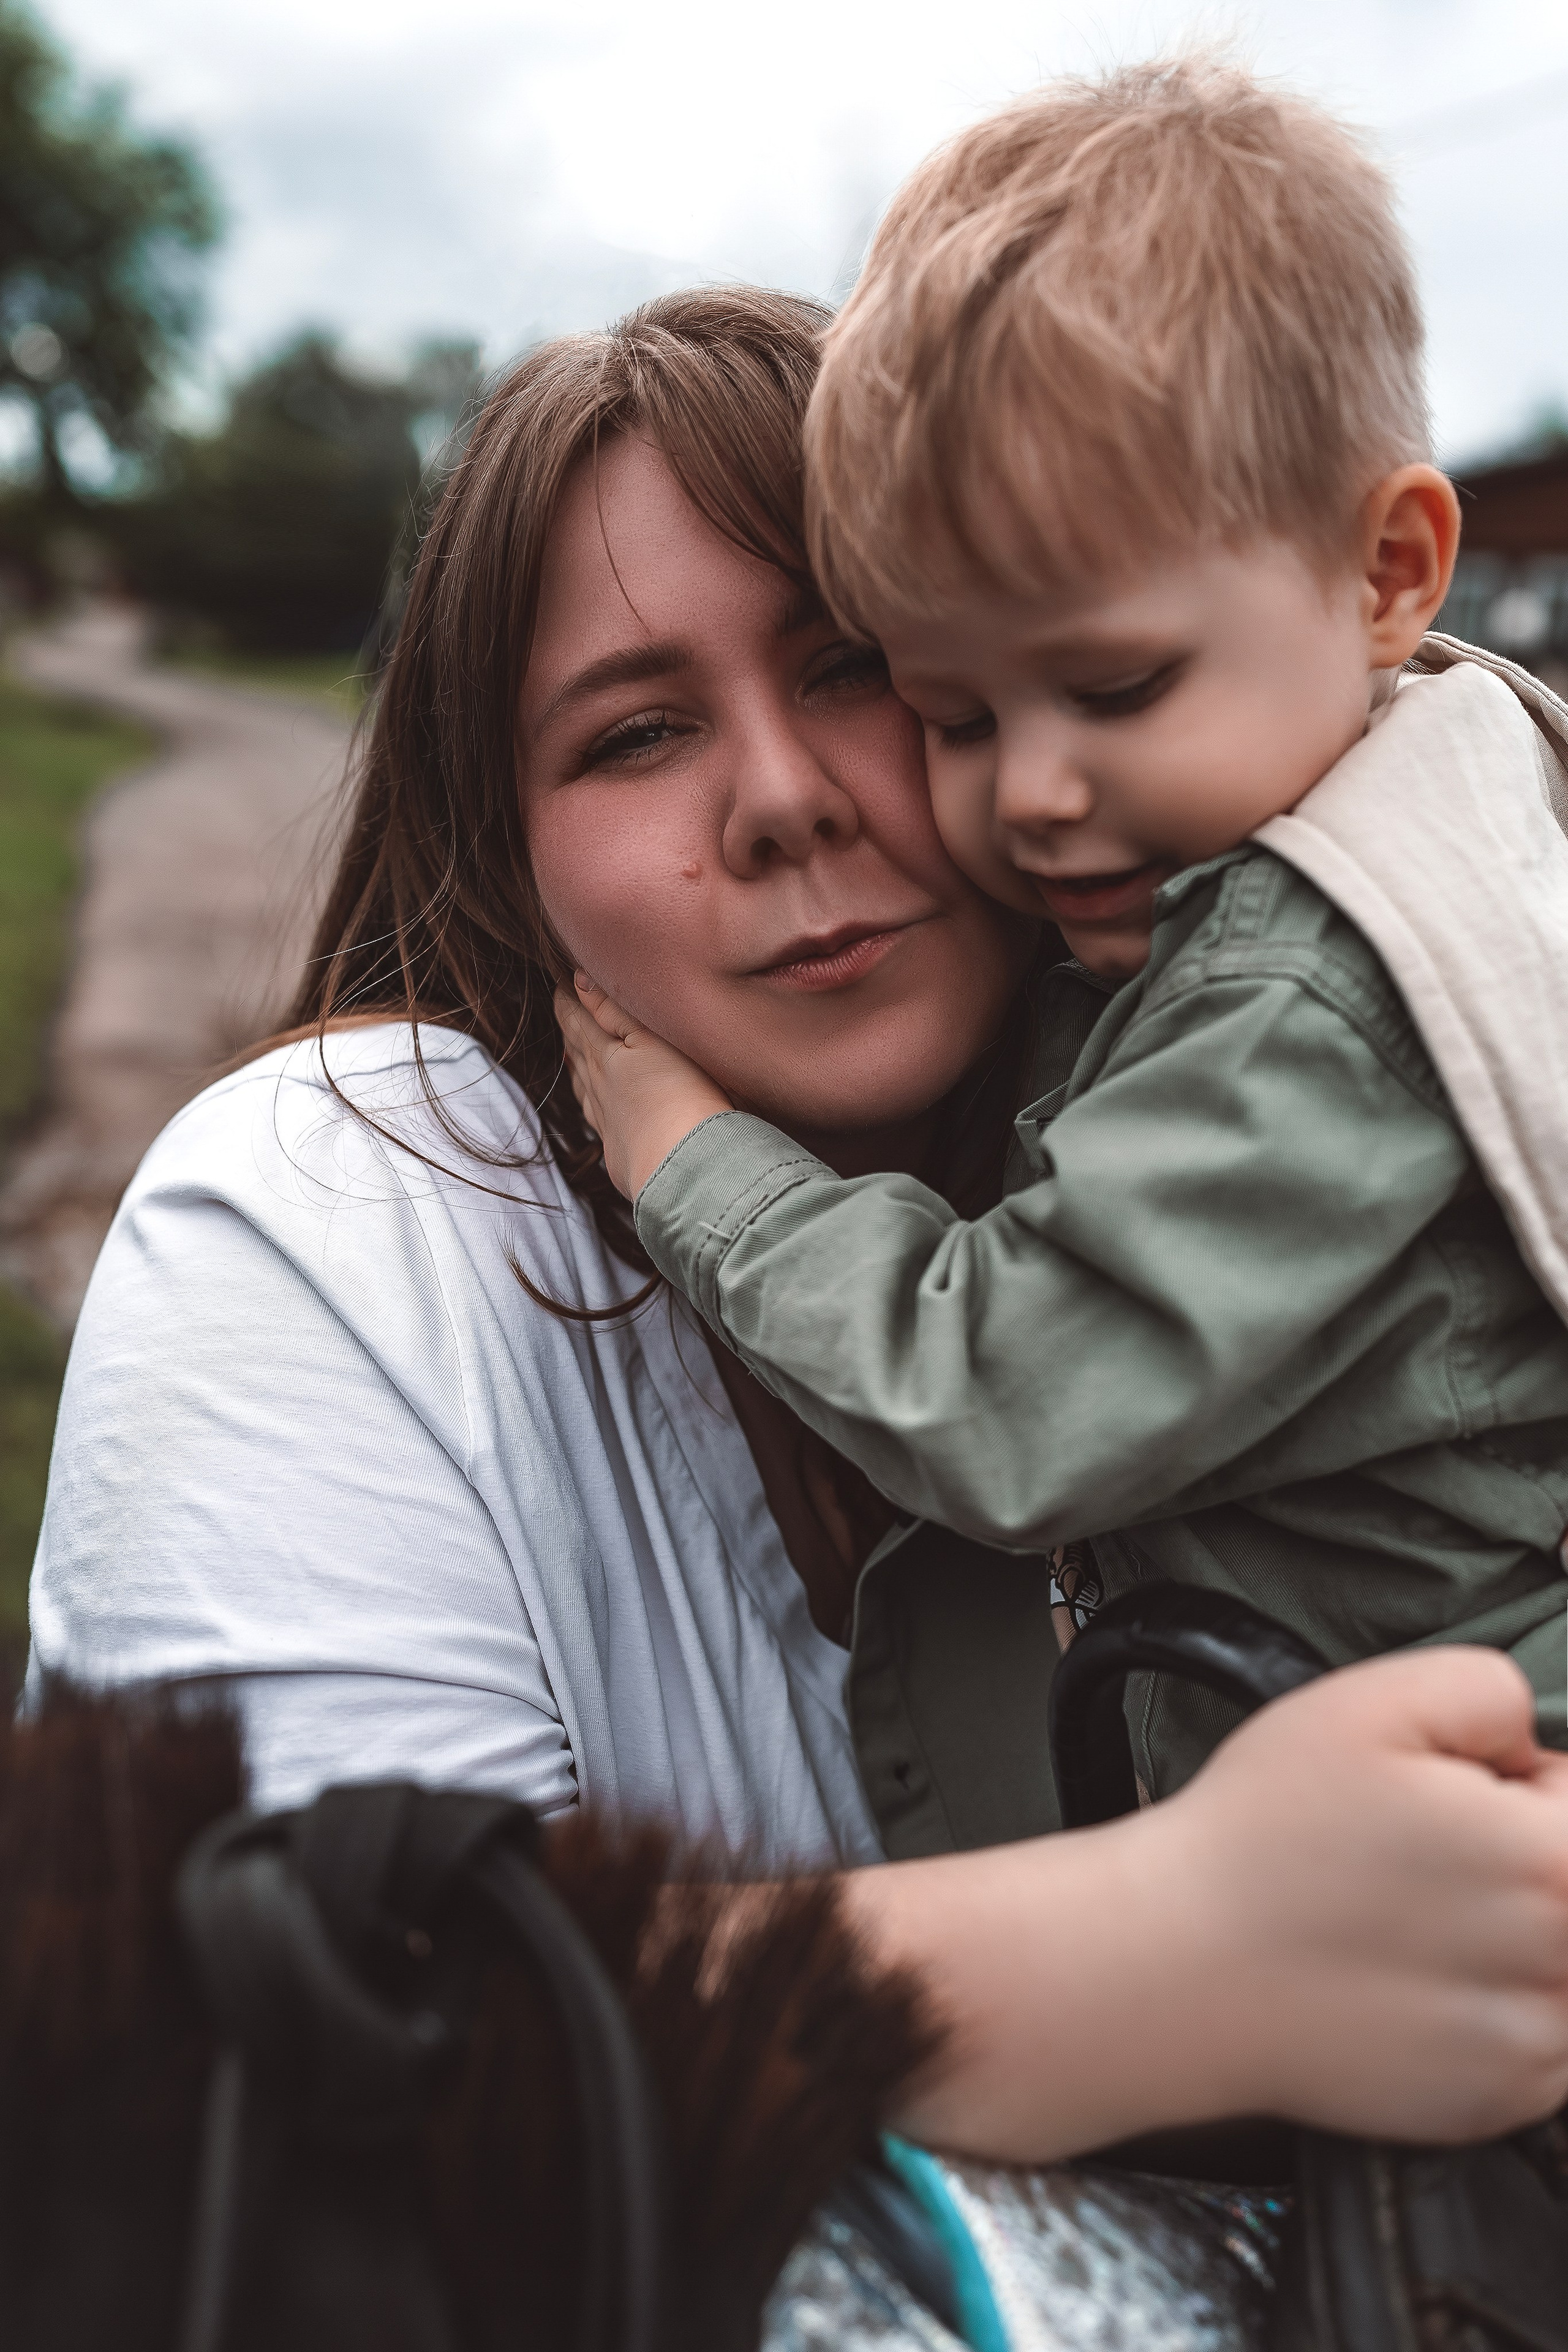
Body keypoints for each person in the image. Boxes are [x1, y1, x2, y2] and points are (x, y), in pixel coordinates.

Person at [24, 287, 1568, 2173]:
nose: (777, 801)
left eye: (852, 666)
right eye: (636, 733)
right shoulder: (337, 1208)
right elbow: (252, 2089)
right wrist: (1165, 1957)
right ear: (505, 858)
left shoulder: (1254, 1129)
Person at [557, 61, 1568, 1809]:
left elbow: (1005, 1402)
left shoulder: (1304, 995)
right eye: (949, 713)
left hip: (1475, 1879)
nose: (1028, 796)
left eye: (1113, 687)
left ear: (1392, 571)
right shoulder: (1413, 810)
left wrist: (692, 1160)